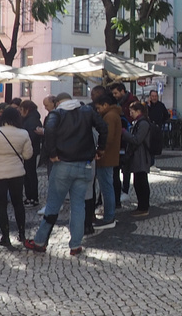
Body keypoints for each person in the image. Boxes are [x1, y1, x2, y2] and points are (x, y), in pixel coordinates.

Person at [28, 93, 106, 255]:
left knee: (53, 205)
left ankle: (40, 242)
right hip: (84, 165)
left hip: (63, 163)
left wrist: (52, 153)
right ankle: (76, 245)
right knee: (78, 206)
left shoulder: (57, 113)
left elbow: (49, 131)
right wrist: (101, 149)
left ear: (57, 102)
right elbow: (103, 127)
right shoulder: (87, 111)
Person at [0, 108, 34, 248]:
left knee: (1, 205)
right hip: (17, 172)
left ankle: (5, 236)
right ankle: (22, 233)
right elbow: (28, 155)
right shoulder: (23, 133)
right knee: (18, 204)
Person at [90, 85, 121, 232]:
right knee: (107, 186)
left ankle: (109, 217)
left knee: (106, 187)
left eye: (99, 107)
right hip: (109, 156)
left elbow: (107, 138)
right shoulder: (113, 114)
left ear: (105, 105)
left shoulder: (109, 116)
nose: (97, 110)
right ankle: (109, 214)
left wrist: (100, 150)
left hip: (106, 157)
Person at [123, 101, 153, 217]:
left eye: (132, 111)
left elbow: (137, 139)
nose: (130, 114)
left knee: (141, 182)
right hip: (137, 156)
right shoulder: (138, 122)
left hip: (141, 156)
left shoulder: (143, 123)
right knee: (138, 181)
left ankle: (144, 207)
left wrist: (125, 133)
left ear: (138, 111)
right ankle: (141, 206)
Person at [19, 98, 44, 205]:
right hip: (30, 149)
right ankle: (30, 196)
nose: (20, 112)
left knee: (30, 174)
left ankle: (33, 197)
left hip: (30, 150)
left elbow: (31, 136)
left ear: (27, 109)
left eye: (21, 109)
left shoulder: (32, 120)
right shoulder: (31, 118)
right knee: (29, 174)